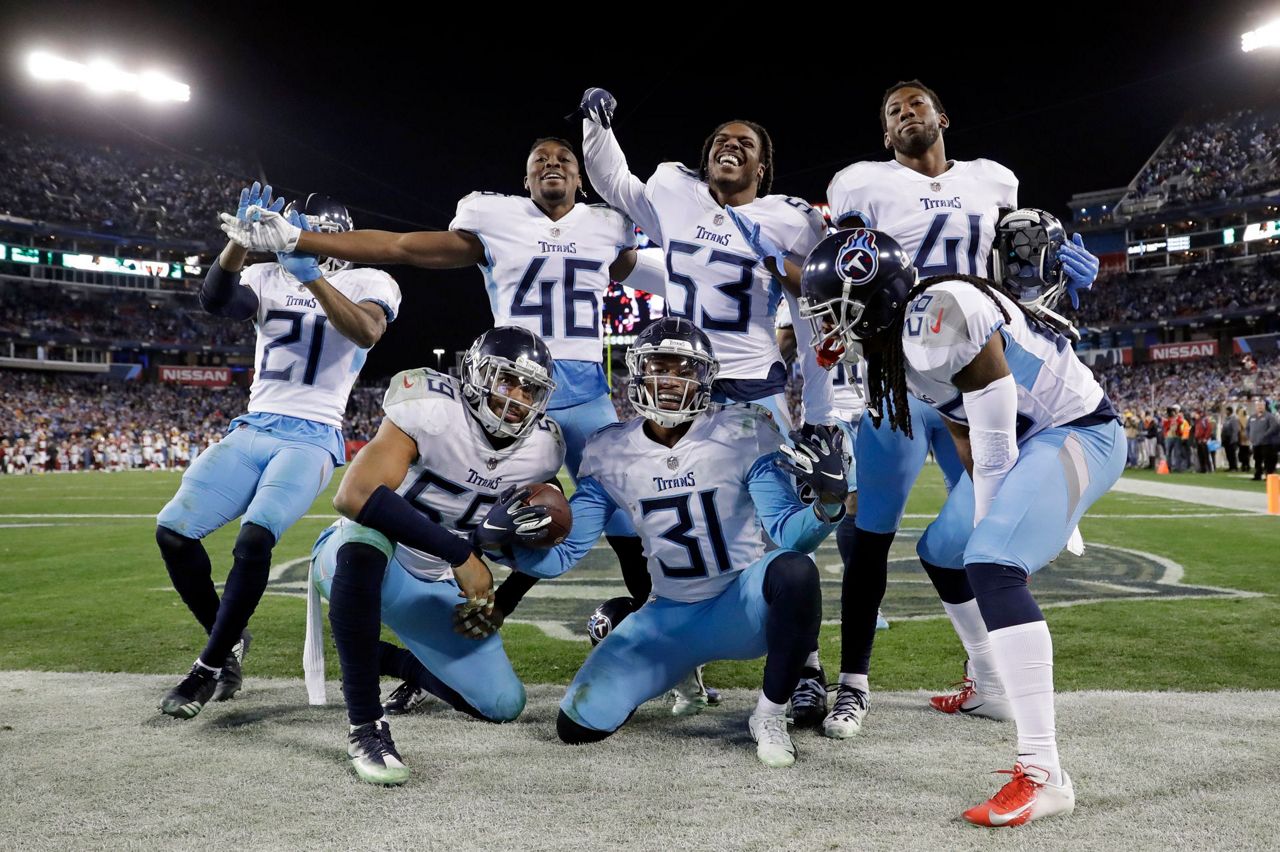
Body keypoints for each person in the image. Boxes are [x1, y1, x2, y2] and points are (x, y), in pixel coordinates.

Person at [221, 138, 667, 695]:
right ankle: (434, 634)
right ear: (525, 180)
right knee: (466, 503)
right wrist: (299, 239)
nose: (552, 163)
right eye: (538, 160)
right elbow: (403, 246)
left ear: (582, 178)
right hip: (511, 386)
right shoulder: (496, 217)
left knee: (623, 527)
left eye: (565, 159)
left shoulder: (607, 226)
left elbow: (657, 271)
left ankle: (666, 657)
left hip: (587, 393)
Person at [801, 227, 1123, 825]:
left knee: (990, 559)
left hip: (1077, 432)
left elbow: (998, 445)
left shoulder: (941, 315)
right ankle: (992, 685)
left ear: (868, 304)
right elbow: (964, 427)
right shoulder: (900, 345)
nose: (826, 328)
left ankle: (1044, 771)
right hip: (1027, 444)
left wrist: (1009, 523)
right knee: (944, 551)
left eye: (832, 311)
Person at [513, 318, 846, 767]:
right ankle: (672, 669)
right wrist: (499, 544)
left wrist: (827, 505)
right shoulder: (609, 450)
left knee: (793, 570)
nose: (669, 379)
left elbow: (789, 533)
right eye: (657, 365)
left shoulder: (743, 430)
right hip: (667, 615)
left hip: (742, 608)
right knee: (577, 727)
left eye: (683, 368)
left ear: (704, 378)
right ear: (636, 372)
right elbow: (564, 555)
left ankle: (768, 716)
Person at [156, 184, 401, 720]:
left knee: (255, 536)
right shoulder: (266, 274)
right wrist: (238, 244)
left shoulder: (369, 278)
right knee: (173, 532)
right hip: (253, 425)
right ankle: (229, 635)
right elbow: (216, 300)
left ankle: (208, 667)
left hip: (313, 433)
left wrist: (312, 276)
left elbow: (366, 332)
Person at [306, 327, 565, 784]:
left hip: (433, 583)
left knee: (502, 705)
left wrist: (503, 602)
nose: (516, 397)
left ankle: (410, 668)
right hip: (368, 560)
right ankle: (366, 726)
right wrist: (461, 554)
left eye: (530, 389)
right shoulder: (432, 406)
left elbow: (542, 540)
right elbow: (355, 494)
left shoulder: (543, 449)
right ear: (474, 375)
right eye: (505, 379)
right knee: (365, 538)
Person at [1221, 405, 1240, 471]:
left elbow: (1235, 430)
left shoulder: (1233, 419)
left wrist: (1234, 439)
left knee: (1232, 454)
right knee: (1228, 454)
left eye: (1226, 411)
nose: (1226, 412)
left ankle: (1234, 467)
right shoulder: (1226, 419)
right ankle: (1230, 466)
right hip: (1226, 439)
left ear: (1229, 411)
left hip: (1231, 439)